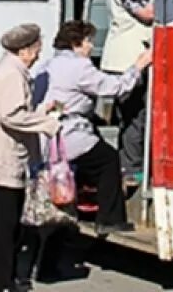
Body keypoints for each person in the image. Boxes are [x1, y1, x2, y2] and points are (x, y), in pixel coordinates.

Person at [0, 23, 61, 292]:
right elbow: (12, 116)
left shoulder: (10, 71)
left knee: (8, 229)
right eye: (36, 50)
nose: (37, 56)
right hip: (2, 163)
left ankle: (5, 281)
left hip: (5, 161)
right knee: (1, 233)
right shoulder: (10, 74)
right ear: (25, 51)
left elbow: (15, 109)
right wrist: (45, 123)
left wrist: (42, 109)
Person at [39, 20, 153, 235]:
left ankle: (82, 204)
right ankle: (109, 219)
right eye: (88, 41)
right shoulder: (79, 66)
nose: (91, 46)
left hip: (48, 132)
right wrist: (139, 65)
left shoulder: (49, 64)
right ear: (76, 43)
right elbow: (114, 87)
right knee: (108, 160)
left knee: (90, 158)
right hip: (69, 133)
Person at [100, 0, 154, 183]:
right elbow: (147, 13)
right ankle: (132, 170)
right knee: (135, 116)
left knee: (135, 115)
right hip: (130, 58)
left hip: (126, 57)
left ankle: (132, 166)